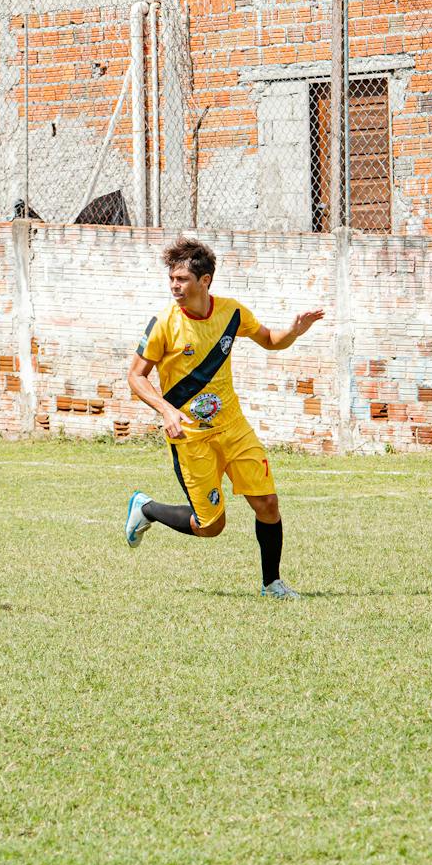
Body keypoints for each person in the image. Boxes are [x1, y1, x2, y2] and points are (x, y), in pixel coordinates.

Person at [122, 237, 324, 599]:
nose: (174, 286)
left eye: (182, 279)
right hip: (191, 439)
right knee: (210, 527)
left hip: (234, 428)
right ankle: (146, 508)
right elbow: (136, 376)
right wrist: (167, 410)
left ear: (205, 281)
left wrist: (293, 331)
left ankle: (272, 584)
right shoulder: (164, 324)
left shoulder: (231, 313)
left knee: (268, 504)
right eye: (172, 278)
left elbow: (269, 340)